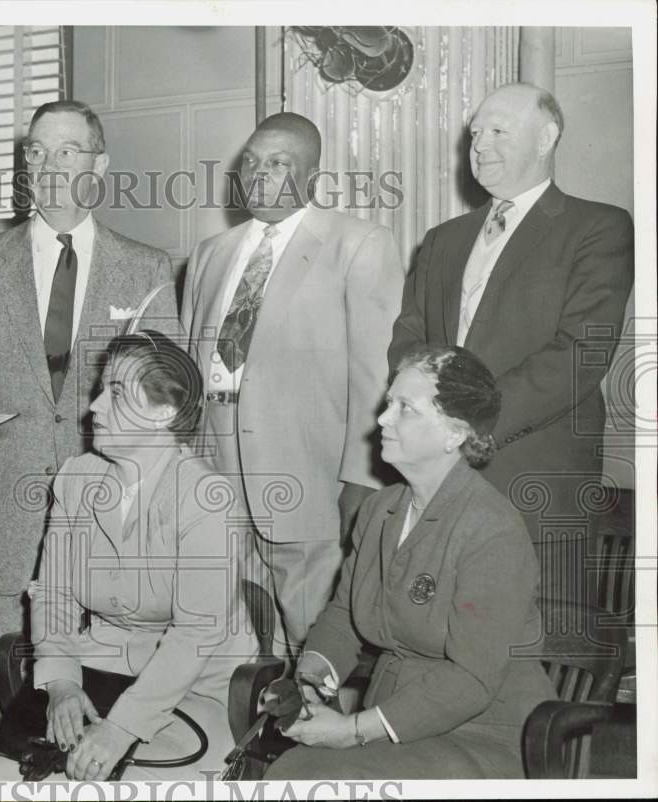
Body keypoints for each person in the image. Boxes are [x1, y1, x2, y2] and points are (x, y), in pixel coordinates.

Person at [0, 100, 179, 760]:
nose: (48, 164)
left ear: (99, 164)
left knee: (96, 692)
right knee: (0, 685)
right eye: (36, 151)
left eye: (67, 150)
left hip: (108, 527)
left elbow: (164, 412)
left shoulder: (147, 269)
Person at [388, 83, 634, 603]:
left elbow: (578, 356)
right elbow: (410, 338)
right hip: (441, 479)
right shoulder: (442, 239)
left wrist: (462, 422)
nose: (479, 145)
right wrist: (423, 419)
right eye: (475, 133)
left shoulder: (597, 227)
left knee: (532, 656)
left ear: (547, 138)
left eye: (499, 131)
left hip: (537, 484)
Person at [263, 346, 556, 780]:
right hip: (394, 721)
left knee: (309, 779)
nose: (383, 418)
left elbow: (472, 679)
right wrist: (308, 681)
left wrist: (353, 730)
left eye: (405, 408)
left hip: (484, 733)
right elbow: (344, 616)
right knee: (292, 770)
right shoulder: (380, 510)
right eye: (388, 403)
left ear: (454, 433)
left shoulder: (491, 529)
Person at [0, 331, 258, 782]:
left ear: (163, 412)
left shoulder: (206, 496)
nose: (94, 407)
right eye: (100, 391)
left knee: (106, 783)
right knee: (1, 781)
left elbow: (194, 634)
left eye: (115, 394)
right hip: (99, 672)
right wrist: (61, 683)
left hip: (193, 686)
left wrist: (121, 728)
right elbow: (55, 594)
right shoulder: (77, 478)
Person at [180, 112, 404, 655]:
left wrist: (362, 480)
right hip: (213, 486)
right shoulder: (209, 254)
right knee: (228, 648)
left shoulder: (359, 244)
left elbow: (375, 374)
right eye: (251, 162)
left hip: (308, 484)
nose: (259, 174)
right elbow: (189, 372)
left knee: (314, 649)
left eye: (278, 164)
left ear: (312, 177)